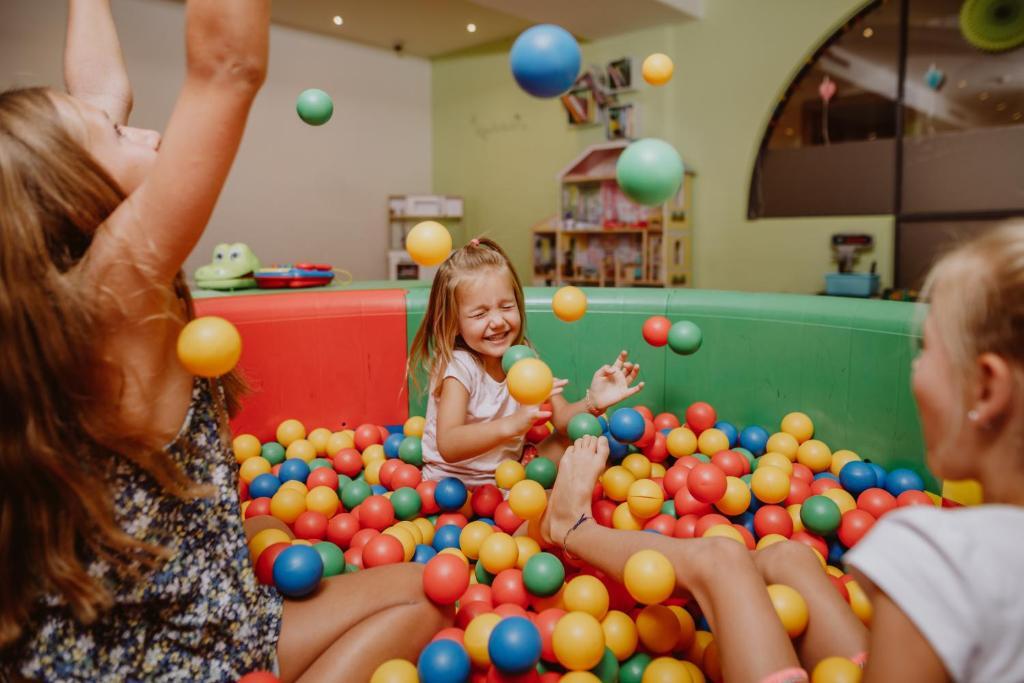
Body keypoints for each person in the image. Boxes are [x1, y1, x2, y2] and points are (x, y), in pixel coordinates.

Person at [0, 2, 448, 680]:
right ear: (72, 196)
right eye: (118, 134)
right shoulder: (117, 296)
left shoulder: (44, 306)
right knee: (433, 592)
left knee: (339, 556)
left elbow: (97, 99)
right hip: (173, 653)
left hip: (85, 638)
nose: (147, 132)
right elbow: (226, 64)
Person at [541, 222, 1024, 683]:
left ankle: (573, 527)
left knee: (720, 559)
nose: (916, 371)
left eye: (927, 352)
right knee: (790, 557)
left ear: (987, 388)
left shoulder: (939, 554)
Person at [407, 237, 644, 487]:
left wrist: (593, 402)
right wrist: (512, 424)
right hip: (452, 485)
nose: (497, 321)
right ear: (454, 323)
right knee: (563, 490)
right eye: (480, 313)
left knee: (582, 441)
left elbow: (562, 421)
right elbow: (449, 444)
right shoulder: (459, 367)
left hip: (513, 475)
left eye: (506, 307)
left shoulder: (524, 358)